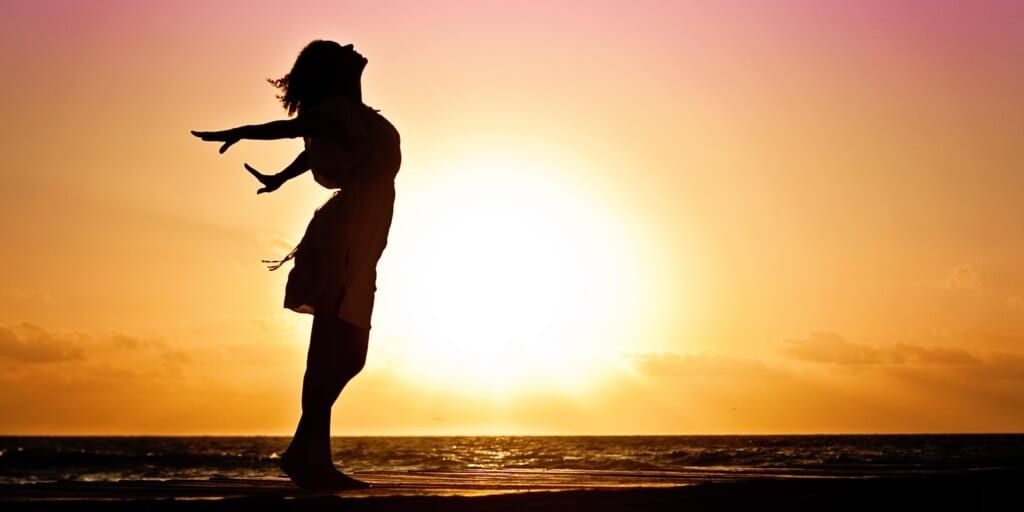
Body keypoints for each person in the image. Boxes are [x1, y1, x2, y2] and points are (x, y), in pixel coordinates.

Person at [191, 40, 401, 490]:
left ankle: (303, 454)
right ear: (334, 70)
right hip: (345, 236)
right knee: (337, 350)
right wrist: (242, 132)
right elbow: (292, 131)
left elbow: (314, 148)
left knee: (343, 353)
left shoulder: (351, 115)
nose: (351, 46)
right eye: (340, 49)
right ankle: (310, 458)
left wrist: (280, 178)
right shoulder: (336, 109)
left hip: (358, 236)